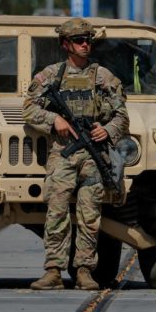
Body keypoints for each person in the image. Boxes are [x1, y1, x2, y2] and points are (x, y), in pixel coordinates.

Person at [23, 18, 129, 290]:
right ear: (65, 44)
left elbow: (121, 116)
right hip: (63, 152)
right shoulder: (50, 75)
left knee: (90, 216)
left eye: (88, 40)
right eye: (79, 40)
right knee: (56, 212)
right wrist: (52, 120)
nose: (85, 45)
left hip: (94, 156)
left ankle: (84, 270)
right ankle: (54, 271)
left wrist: (107, 131)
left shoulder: (102, 76)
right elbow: (29, 108)